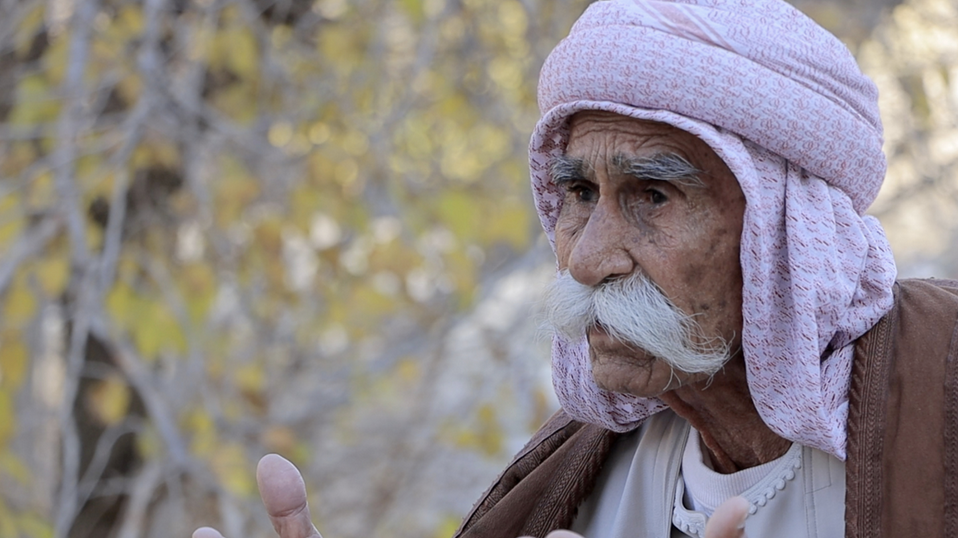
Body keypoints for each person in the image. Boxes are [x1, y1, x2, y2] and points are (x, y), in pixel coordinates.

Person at [195, 1, 958, 537]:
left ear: (788, 230)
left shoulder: (939, 402)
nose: (587, 258)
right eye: (579, 193)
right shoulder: (579, 471)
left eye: (653, 195)